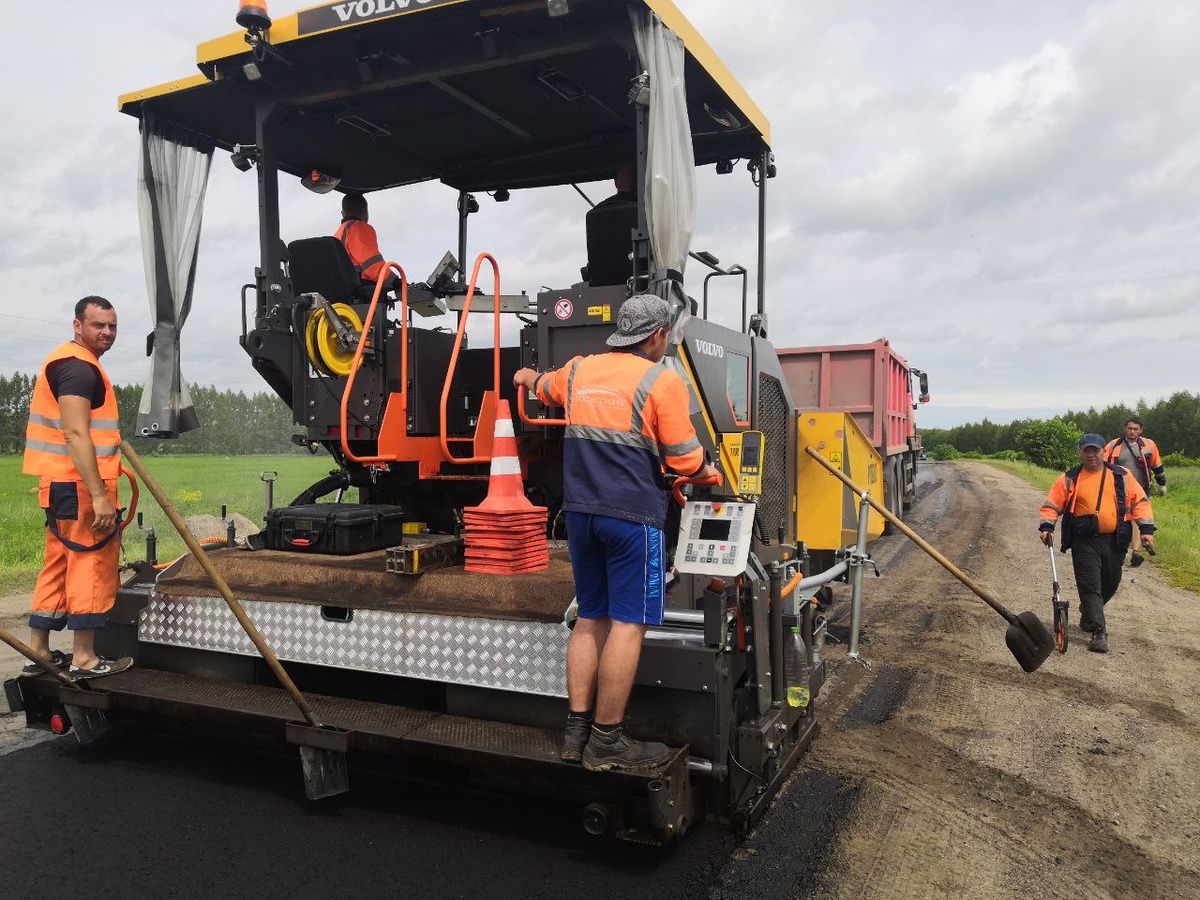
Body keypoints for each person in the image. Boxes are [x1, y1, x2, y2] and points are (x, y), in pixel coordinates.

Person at [513, 294, 719, 772]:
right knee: (629, 622)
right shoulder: (662, 381)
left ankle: (576, 733)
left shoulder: (580, 371)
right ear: (656, 336)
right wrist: (709, 473)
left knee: (591, 618)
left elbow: (542, 385)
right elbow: (685, 459)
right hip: (632, 521)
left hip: (580, 516)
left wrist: (524, 376)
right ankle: (607, 741)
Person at [22, 297, 133, 679]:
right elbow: (74, 432)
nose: (106, 333)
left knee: (59, 562)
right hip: (82, 486)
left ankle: (39, 651)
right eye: (98, 325)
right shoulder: (79, 369)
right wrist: (100, 496)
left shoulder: (67, 362)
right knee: (90, 562)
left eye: (112, 326)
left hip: (60, 485)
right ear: (77, 325)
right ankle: (84, 657)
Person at [1038, 433, 1156, 654]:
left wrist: (1147, 530)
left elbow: (1140, 502)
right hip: (1084, 541)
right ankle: (1098, 631)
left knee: (1110, 584)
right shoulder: (1070, 477)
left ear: (1104, 452)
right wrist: (1047, 526)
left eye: (1096, 450)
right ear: (1080, 453)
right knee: (1090, 584)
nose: (1091, 454)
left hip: (1116, 539)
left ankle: (1090, 612)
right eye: (1087, 450)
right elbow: (1052, 504)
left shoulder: (1122, 475)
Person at [1103, 416, 1167, 567]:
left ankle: (1136, 552)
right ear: (1124, 428)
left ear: (1141, 430)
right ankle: (1117, 548)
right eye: (1130, 428)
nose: (1132, 431)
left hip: (1141, 489)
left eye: (1135, 429)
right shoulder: (1113, 445)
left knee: (1138, 519)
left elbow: (1157, 465)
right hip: (1117, 489)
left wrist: (1162, 484)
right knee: (1120, 518)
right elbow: (1102, 464)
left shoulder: (1149, 445)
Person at [584, 163, 638, 287]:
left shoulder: (594, 214)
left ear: (616, 183)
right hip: (641, 287)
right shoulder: (647, 210)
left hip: (599, 289)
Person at [334, 192, 397, 290]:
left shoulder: (338, 234)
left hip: (345, 291)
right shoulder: (360, 228)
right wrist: (396, 282)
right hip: (360, 288)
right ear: (366, 212)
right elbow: (372, 265)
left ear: (343, 214)